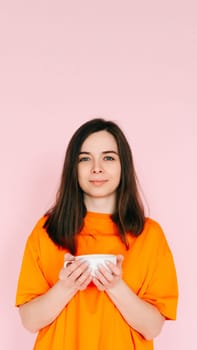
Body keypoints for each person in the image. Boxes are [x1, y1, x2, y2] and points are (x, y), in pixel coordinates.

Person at [16, 118, 178, 350]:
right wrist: (66, 286)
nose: (97, 168)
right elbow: (29, 321)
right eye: (85, 159)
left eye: (109, 157)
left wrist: (115, 286)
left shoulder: (149, 235)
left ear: (124, 166)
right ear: (73, 167)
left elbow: (152, 327)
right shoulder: (46, 231)